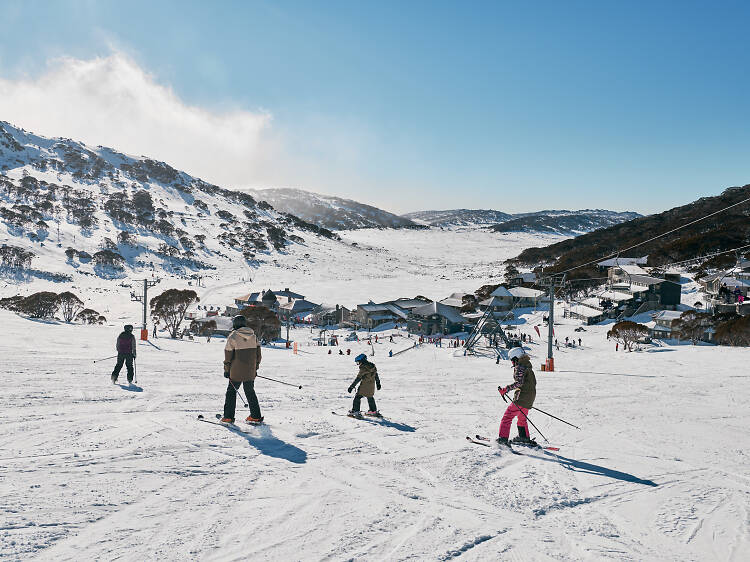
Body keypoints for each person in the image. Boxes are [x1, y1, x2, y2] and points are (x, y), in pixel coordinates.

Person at [219, 315, 263, 424]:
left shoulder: (233, 336)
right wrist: (255, 369)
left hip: (236, 371)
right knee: (250, 392)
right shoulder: (253, 336)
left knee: (231, 392)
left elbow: (228, 355)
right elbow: (258, 356)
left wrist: (226, 370)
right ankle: (255, 416)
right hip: (250, 371)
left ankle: (228, 417)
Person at [496, 347, 536, 447]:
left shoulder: (520, 367)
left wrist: (506, 389)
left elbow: (519, 383)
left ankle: (503, 439)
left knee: (507, 417)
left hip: (521, 397)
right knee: (522, 417)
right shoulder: (528, 365)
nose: (512, 363)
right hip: (530, 397)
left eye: (512, 360)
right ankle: (523, 437)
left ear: (516, 357)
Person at [347, 353, 381, 418]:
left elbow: (358, 378)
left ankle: (355, 411)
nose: (358, 364)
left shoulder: (363, 368)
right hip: (371, 386)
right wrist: (378, 383)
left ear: (362, 361)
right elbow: (376, 375)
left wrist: (351, 386)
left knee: (357, 397)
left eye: (358, 362)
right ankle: (373, 411)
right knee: (370, 397)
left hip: (364, 386)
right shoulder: (372, 366)